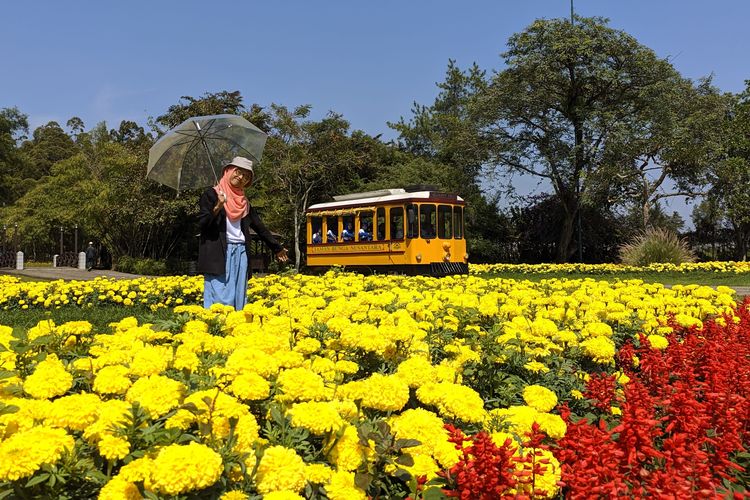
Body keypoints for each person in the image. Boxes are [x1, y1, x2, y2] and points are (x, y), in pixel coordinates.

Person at [198, 156, 289, 310]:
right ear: (228, 171)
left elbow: (260, 227)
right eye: (238, 172)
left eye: (246, 177)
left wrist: (277, 248)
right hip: (219, 251)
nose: (241, 178)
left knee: (239, 293)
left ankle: (236, 325)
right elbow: (202, 224)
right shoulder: (212, 194)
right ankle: (217, 327)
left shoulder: (244, 202)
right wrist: (218, 206)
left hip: (241, 251)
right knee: (221, 293)